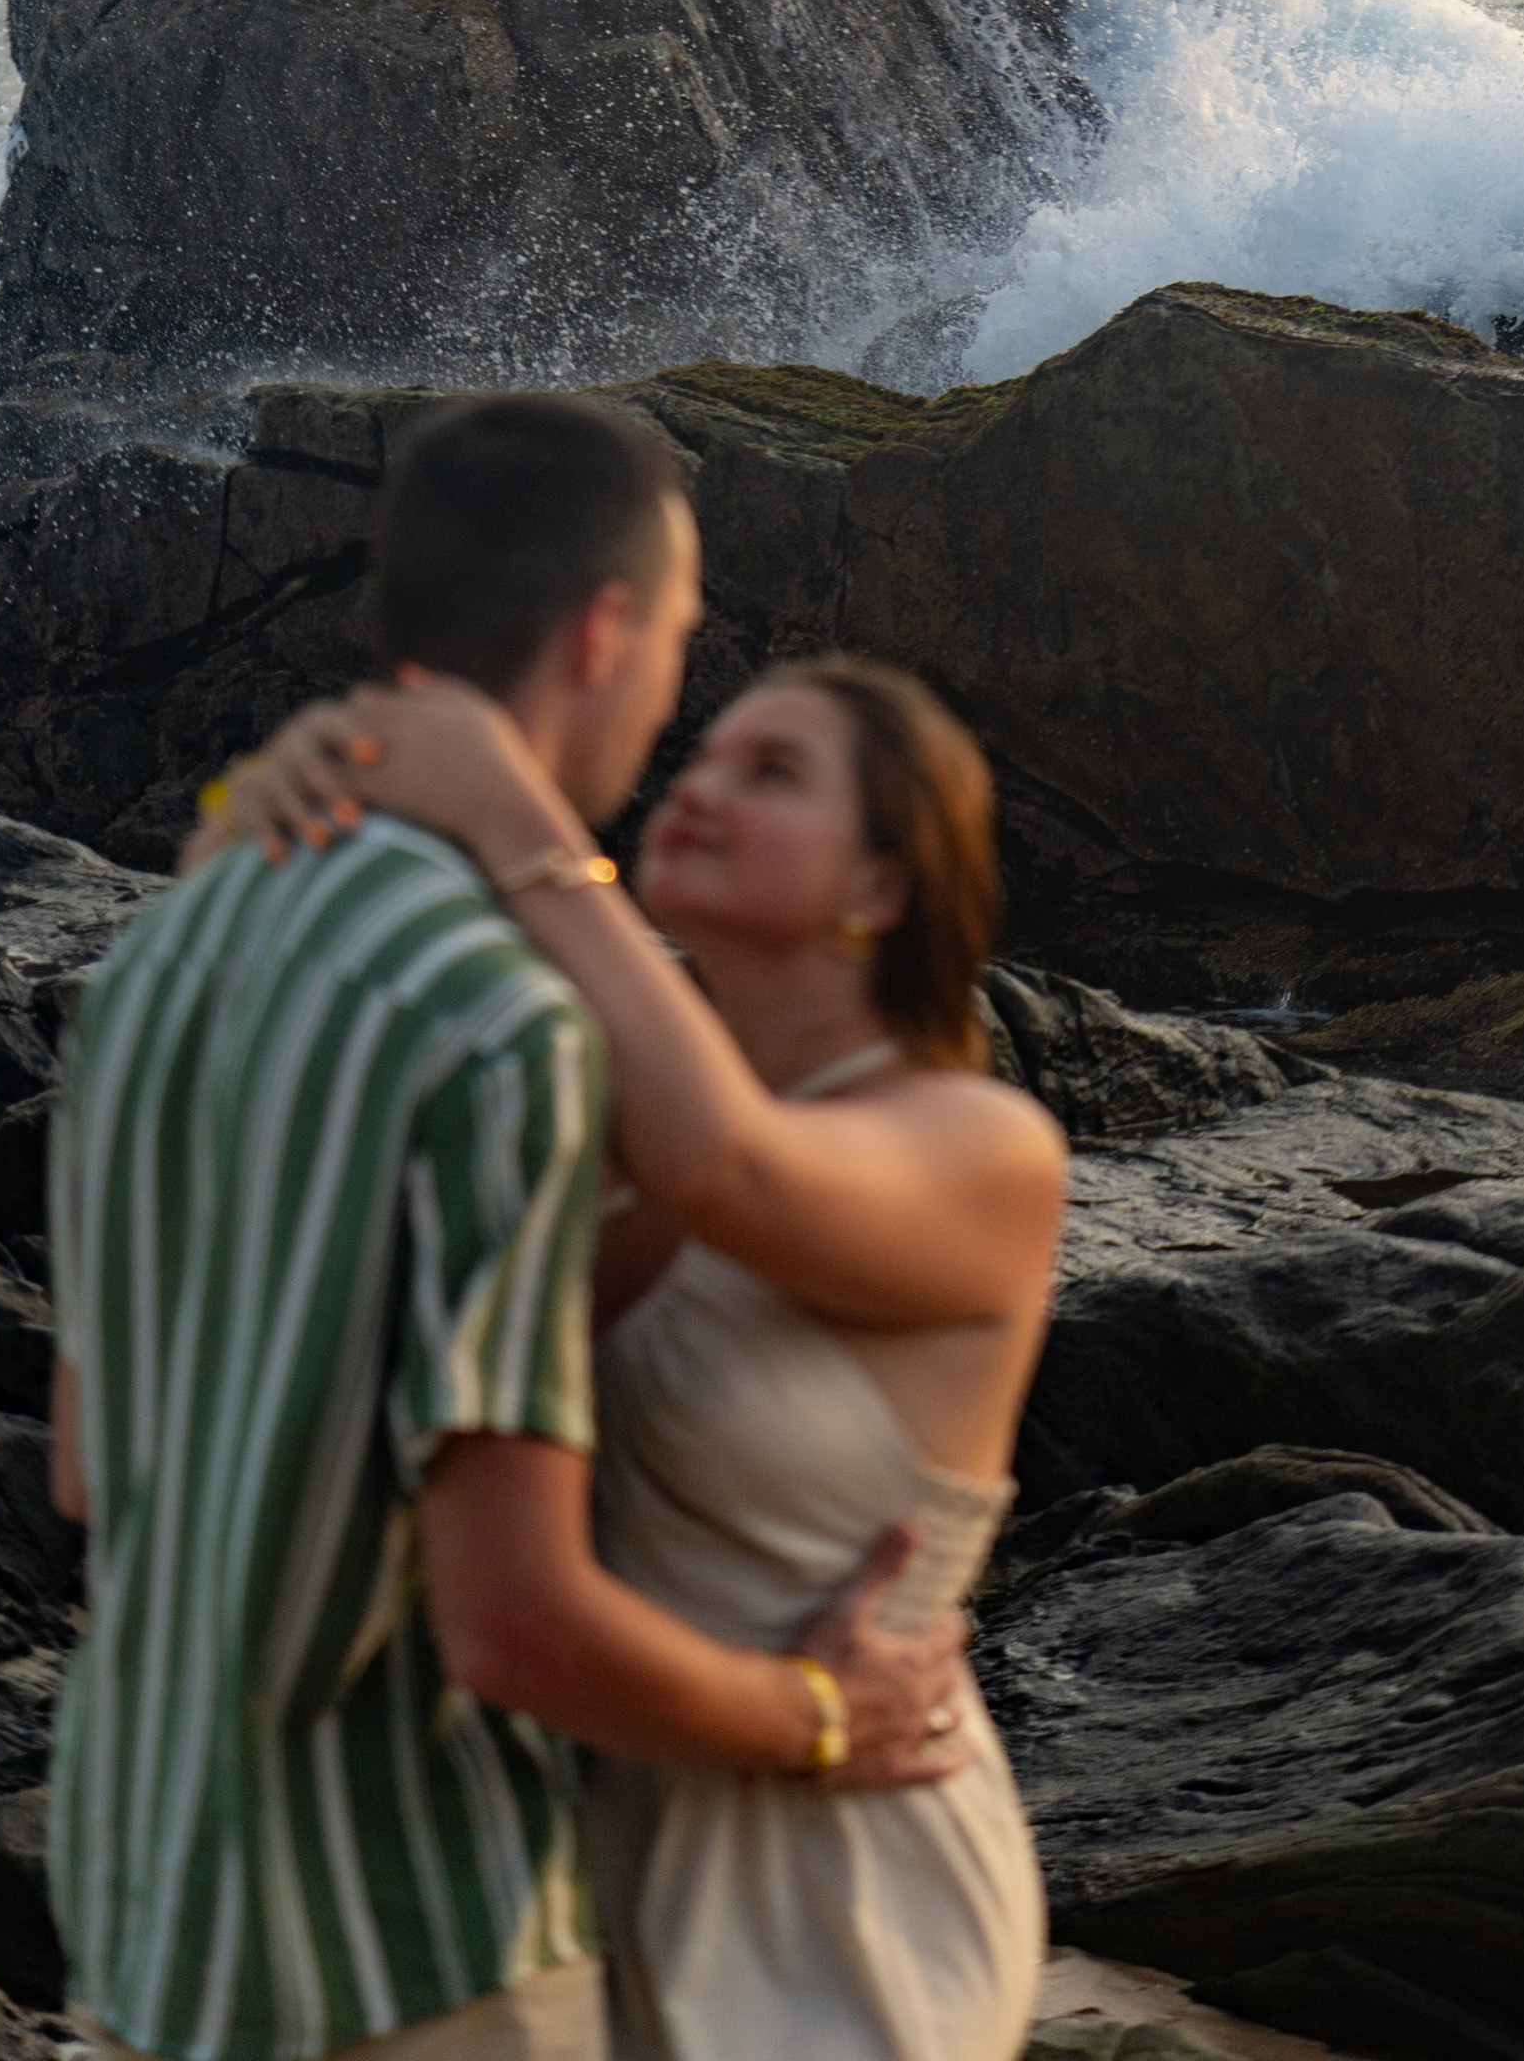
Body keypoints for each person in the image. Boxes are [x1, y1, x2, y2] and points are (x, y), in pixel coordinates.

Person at [49, 397, 972, 2061]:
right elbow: (510, 1617)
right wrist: (821, 1711)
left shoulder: (164, 956)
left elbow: (86, 1465)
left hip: (145, 1923)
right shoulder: (506, 1029)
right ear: (608, 629)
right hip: (404, 1946)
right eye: (685, 646)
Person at [237, 639, 1069, 2061]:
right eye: (701, 756)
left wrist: (518, 823)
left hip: (846, 1883)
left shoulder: (983, 1150)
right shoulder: (599, 1110)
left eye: (774, 772)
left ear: (881, 887)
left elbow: (731, 1173)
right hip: (576, 1868)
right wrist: (261, 815)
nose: (700, 788)